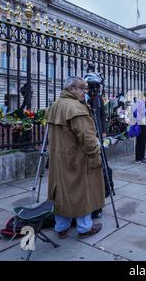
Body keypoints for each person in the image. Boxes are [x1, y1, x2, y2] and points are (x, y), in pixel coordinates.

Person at [45, 76, 103, 239]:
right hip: (76, 157)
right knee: (81, 191)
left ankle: (61, 227)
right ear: (71, 89)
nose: (85, 91)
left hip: (59, 157)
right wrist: (95, 151)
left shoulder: (56, 104)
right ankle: (84, 228)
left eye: (86, 88)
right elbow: (87, 137)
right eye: (82, 88)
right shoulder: (76, 108)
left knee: (61, 191)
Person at [134, 92, 146, 164]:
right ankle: (138, 158)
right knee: (140, 141)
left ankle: (142, 156)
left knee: (143, 141)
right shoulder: (140, 102)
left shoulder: (144, 103)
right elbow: (137, 113)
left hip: (144, 124)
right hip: (140, 124)